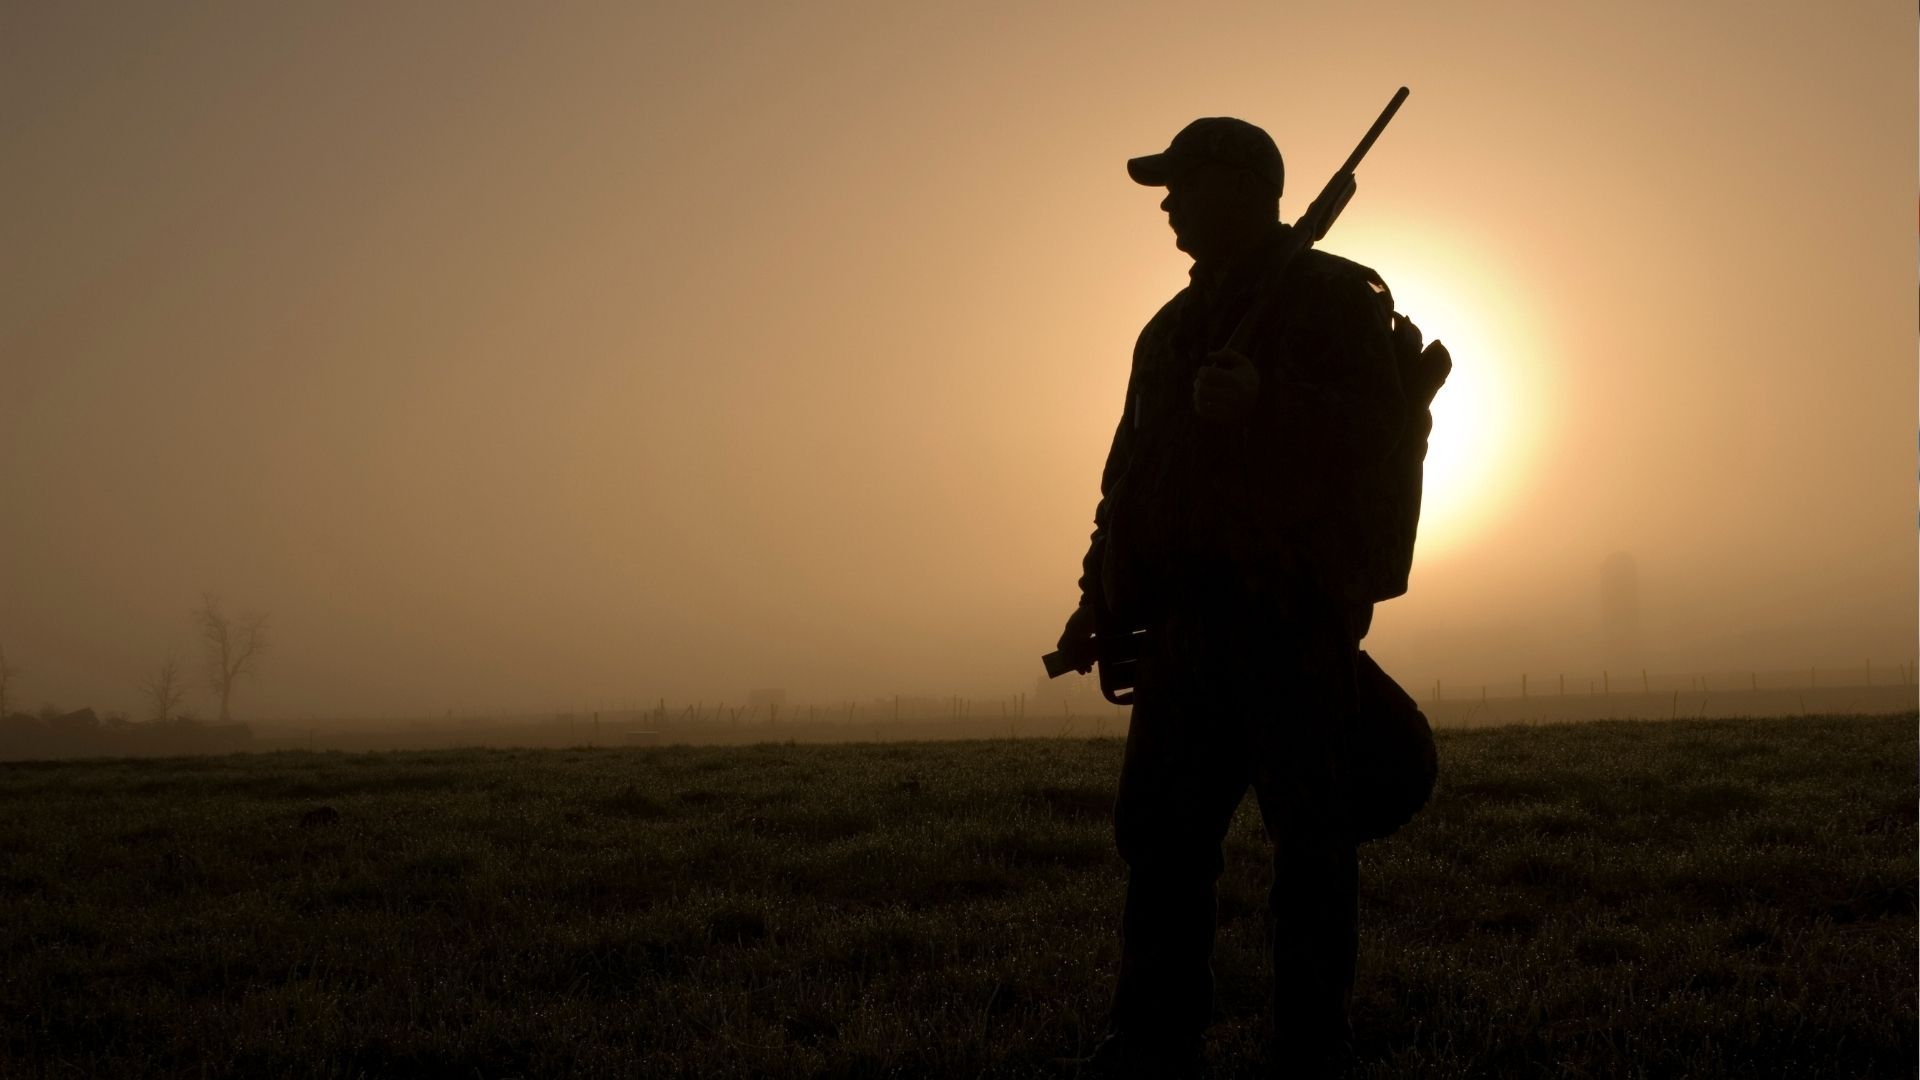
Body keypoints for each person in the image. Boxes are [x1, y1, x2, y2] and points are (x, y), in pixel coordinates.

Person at [1062, 117, 1405, 1077]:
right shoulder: (1167, 332)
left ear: (1246, 186)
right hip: (1179, 628)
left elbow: (1382, 433)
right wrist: (1097, 594)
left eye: (1184, 181)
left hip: (1289, 620)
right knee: (1162, 850)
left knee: (1312, 847)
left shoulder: (1335, 298)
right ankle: (1151, 1041)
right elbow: (1128, 479)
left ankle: (1310, 1046)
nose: (1166, 202)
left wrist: (1269, 405)